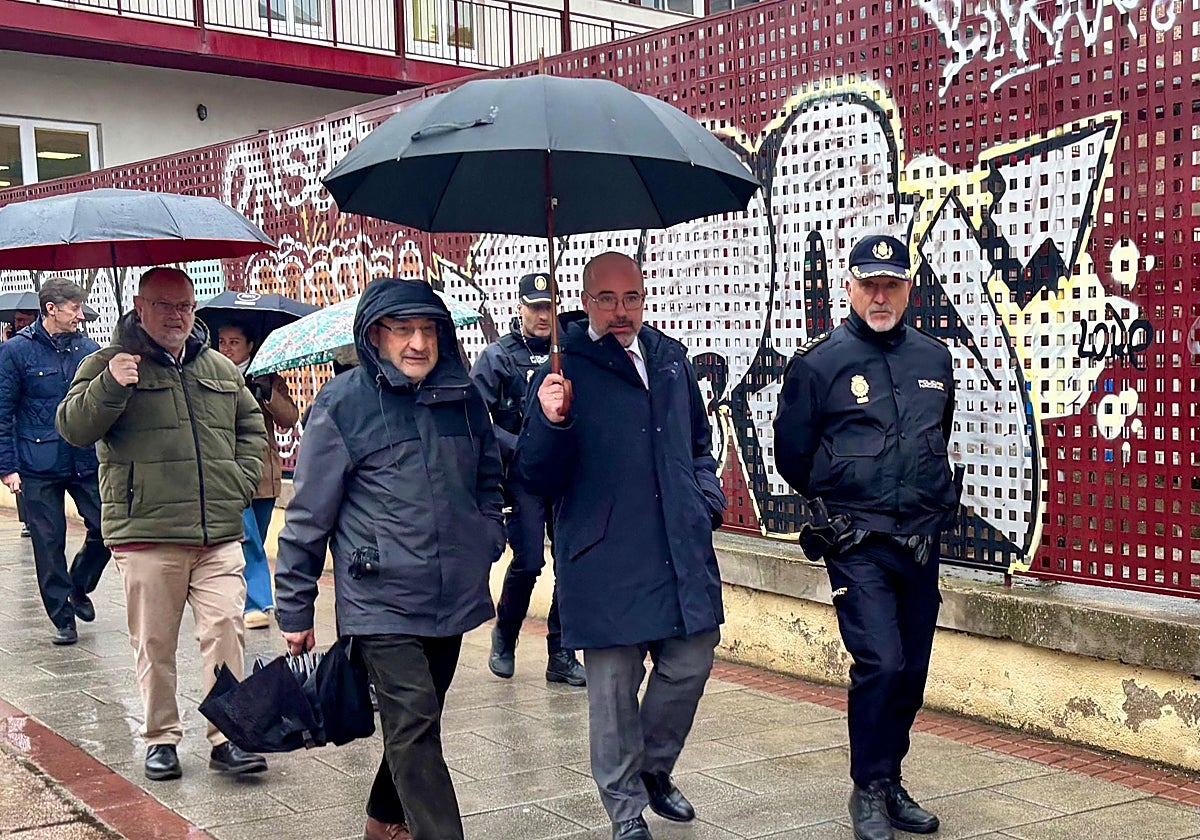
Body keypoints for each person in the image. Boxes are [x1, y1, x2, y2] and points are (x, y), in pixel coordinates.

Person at [274, 278, 506, 840]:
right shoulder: (343, 403)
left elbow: (488, 475)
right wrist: (295, 611)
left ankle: (382, 819)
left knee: (418, 720)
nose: (418, 343)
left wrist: (486, 533)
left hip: (452, 591)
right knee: (415, 724)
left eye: (428, 330)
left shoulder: (463, 395)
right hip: (379, 595)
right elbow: (308, 515)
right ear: (376, 335)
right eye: (403, 330)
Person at [514, 252, 727, 840]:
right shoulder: (562, 370)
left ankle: (654, 771)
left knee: (690, 659)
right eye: (606, 299)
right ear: (585, 302)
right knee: (612, 689)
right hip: (604, 554)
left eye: (630, 297)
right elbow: (535, 475)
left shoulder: (669, 360)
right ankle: (625, 809)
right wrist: (552, 421)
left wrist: (702, 497)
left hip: (676, 546)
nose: (620, 311)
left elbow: (699, 444)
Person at [772, 235, 958, 840]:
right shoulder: (819, 363)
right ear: (847, 288)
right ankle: (868, 789)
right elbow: (792, 457)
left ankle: (889, 778)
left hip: (922, 540)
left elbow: (938, 434)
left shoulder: (934, 359)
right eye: (869, 284)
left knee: (911, 672)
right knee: (880, 662)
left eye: (892, 285)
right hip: (860, 542)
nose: (881, 296)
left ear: (909, 288)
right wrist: (846, 490)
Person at [56, 267, 269, 783]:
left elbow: (251, 426)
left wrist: (237, 483)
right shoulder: (105, 364)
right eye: (165, 305)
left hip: (217, 532)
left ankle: (229, 736)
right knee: (154, 642)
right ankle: (160, 738)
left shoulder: (218, 367)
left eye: (185, 306)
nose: (177, 316)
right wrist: (111, 386)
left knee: (225, 630)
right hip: (147, 533)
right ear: (139, 305)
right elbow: (73, 428)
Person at [471, 272, 586, 687]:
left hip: (566, 474)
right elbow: (475, 419)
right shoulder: (498, 357)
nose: (543, 315)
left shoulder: (569, 353)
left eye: (549, 307)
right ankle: (505, 635)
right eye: (535, 307)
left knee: (572, 562)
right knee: (530, 561)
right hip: (522, 476)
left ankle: (561, 651)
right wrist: (517, 446)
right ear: (519, 307)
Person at [0, 281, 109, 646]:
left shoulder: (89, 350)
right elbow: (3, 413)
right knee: (48, 543)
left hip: (84, 457)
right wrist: (7, 466)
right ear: (51, 308)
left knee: (107, 529)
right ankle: (63, 616)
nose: (81, 315)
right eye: (74, 308)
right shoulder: (16, 352)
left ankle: (79, 584)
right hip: (36, 462)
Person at [216, 323, 299, 630]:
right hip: (228, 471)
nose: (226, 348)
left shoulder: (267, 375)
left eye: (234, 342)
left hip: (263, 473)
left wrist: (267, 395)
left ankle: (237, 591)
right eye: (222, 341)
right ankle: (259, 603)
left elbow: (290, 418)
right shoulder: (211, 374)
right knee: (247, 538)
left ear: (250, 346)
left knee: (256, 539)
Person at [6, 308, 39, 539]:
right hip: (17, 422)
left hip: (34, 421)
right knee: (22, 476)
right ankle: (26, 519)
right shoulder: (10, 347)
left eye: (23, 320)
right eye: (17, 320)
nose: (19, 324)